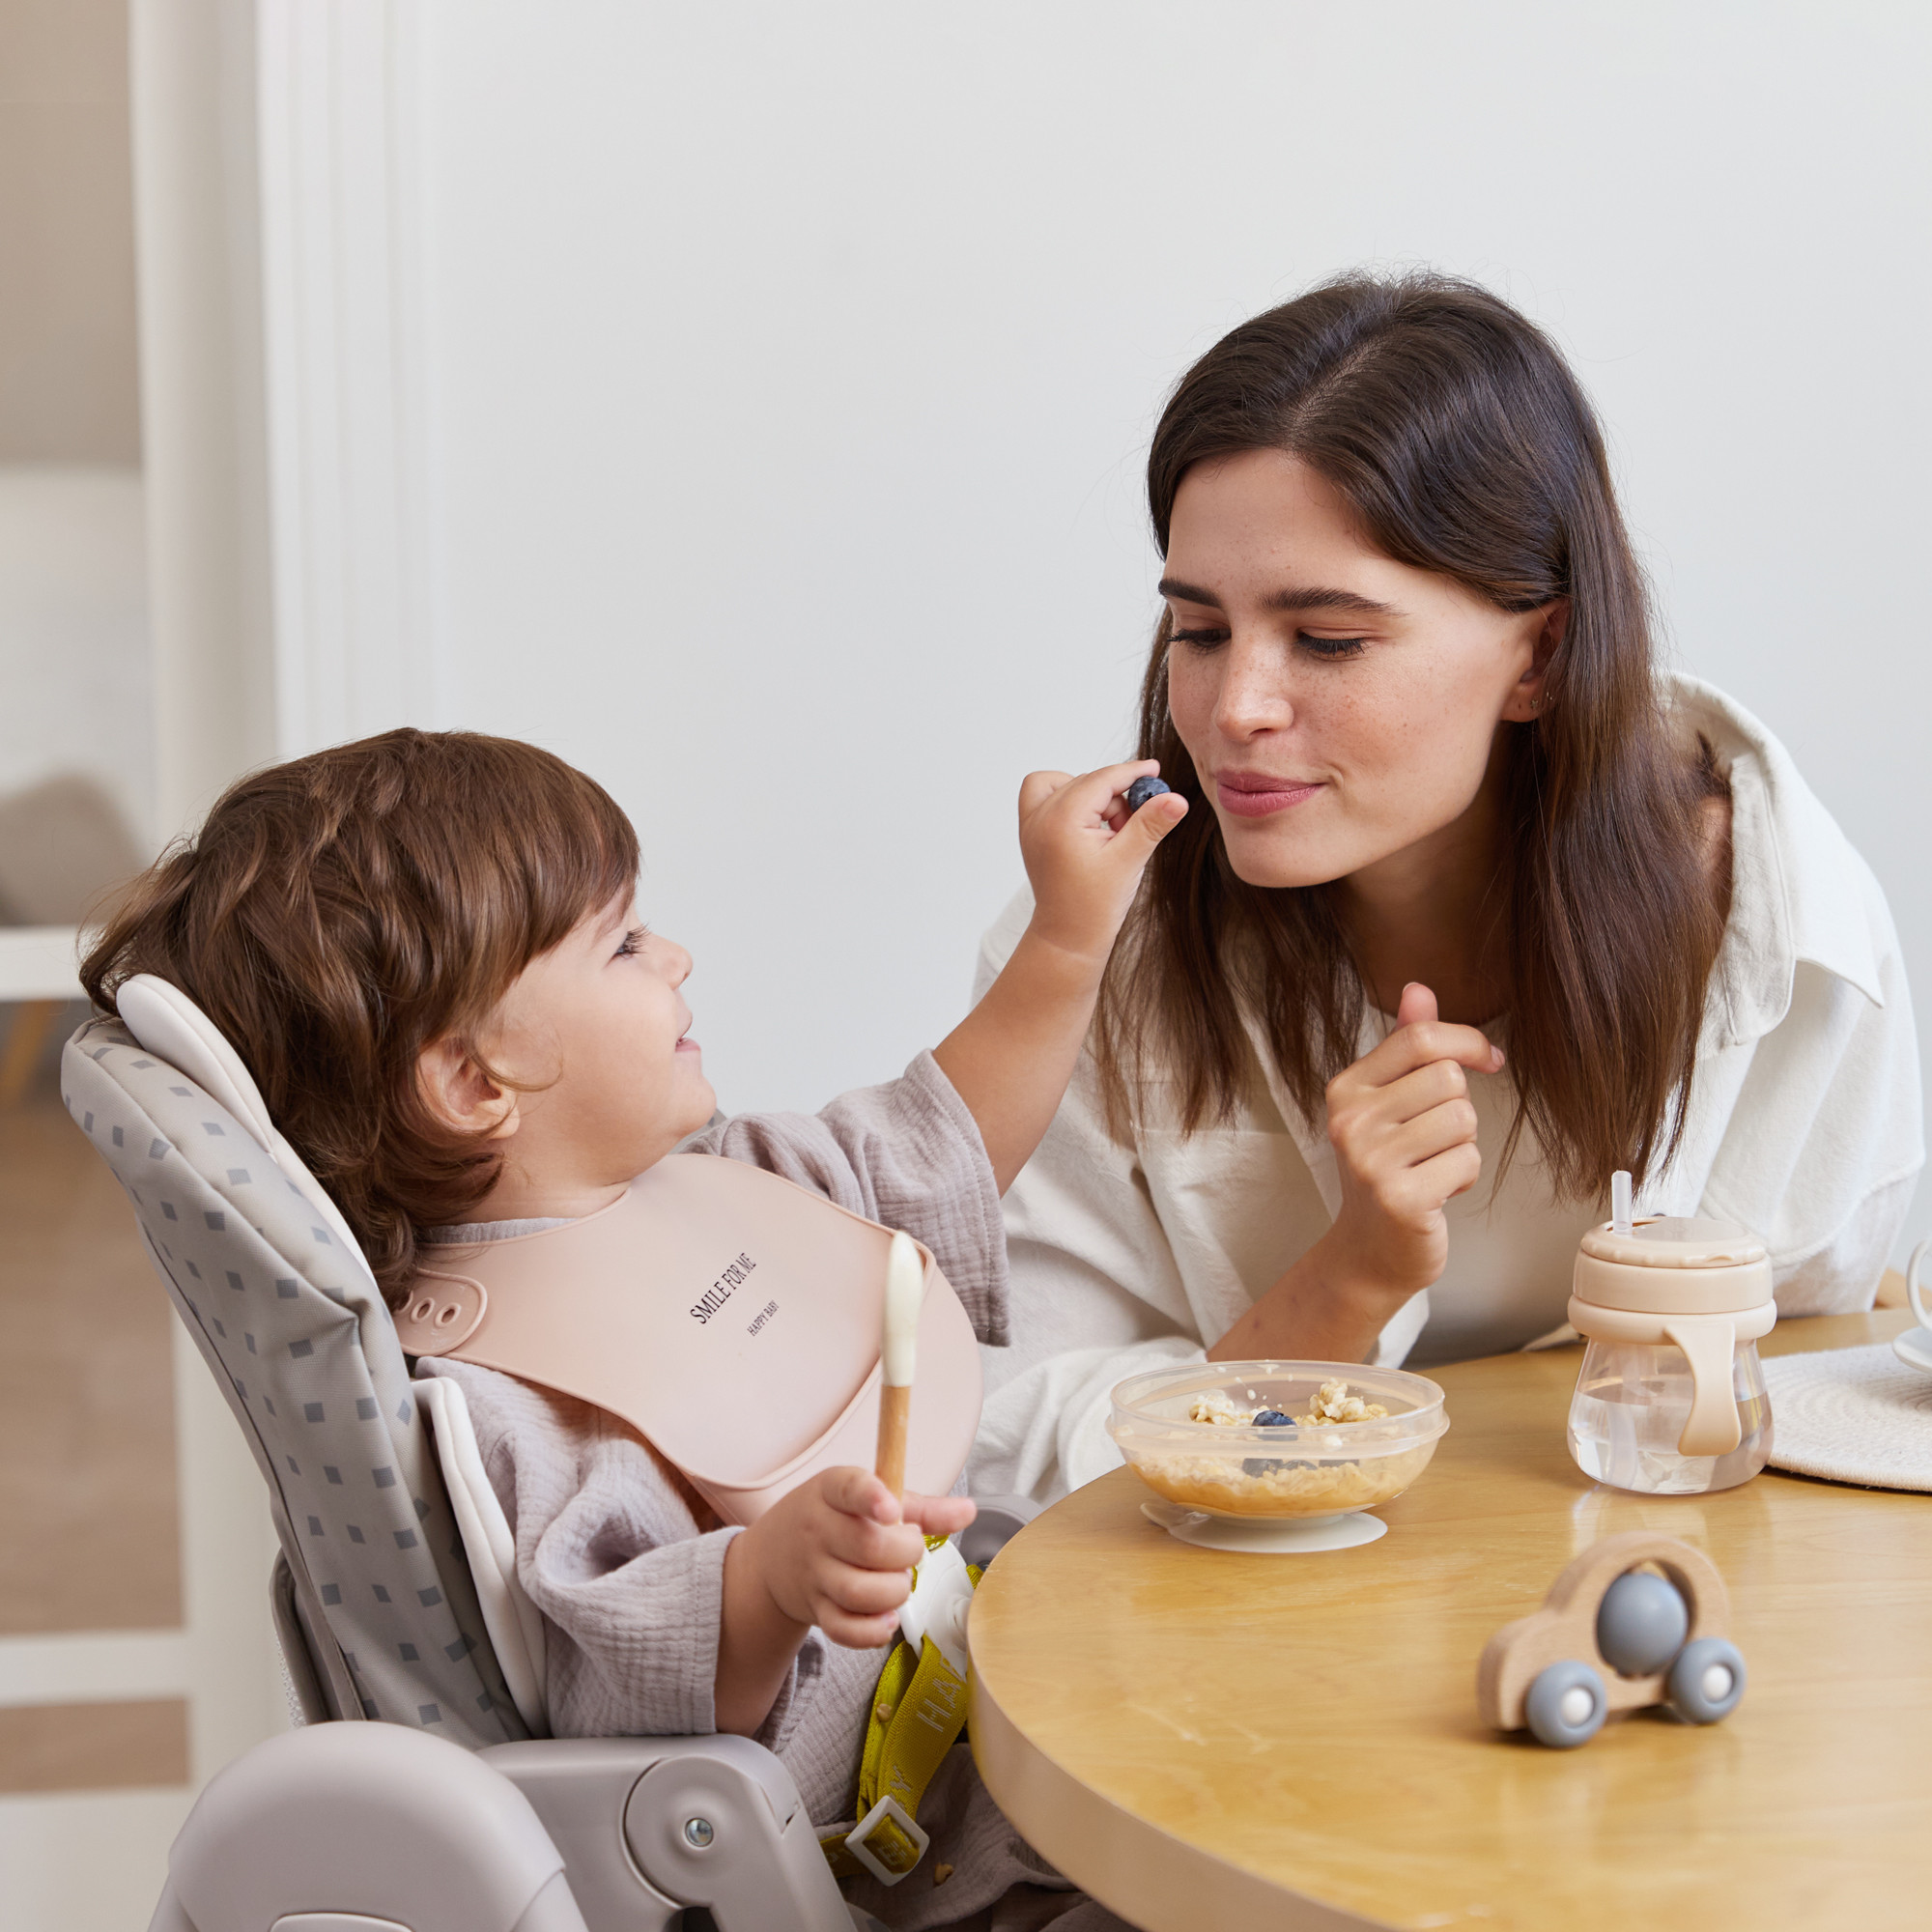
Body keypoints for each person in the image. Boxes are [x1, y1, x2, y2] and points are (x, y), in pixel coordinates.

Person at [81, 729, 1181, 1931]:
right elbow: (618, 1689)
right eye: (622, 941)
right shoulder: (500, 1403)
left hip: (1043, 1745)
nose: (676, 954)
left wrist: (1070, 936)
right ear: (474, 1083)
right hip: (942, 1880)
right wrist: (771, 1576)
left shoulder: (720, 1182)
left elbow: (943, 1142)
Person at [968, 271, 1923, 1506]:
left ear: (1541, 652)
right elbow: (1008, 1444)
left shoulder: (1784, 936)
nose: (1231, 709)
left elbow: (1813, 1388)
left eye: (1326, 639)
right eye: (1198, 630)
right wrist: (1346, 1278)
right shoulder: (1093, 943)